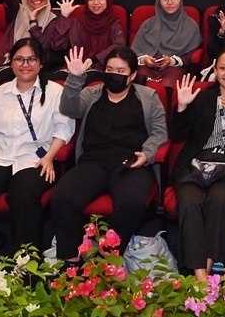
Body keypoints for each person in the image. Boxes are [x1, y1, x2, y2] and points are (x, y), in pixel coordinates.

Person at [0, 39, 74, 254]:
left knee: (23, 196)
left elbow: (64, 129)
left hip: (35, 160)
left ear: (40, 64)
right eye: (19, 59)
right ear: (11, 62)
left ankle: (26, 263)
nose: (25, 64)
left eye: (31, 59)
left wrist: (49, 157)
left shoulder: (56, 92)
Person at [54, 46, 167, 262]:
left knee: (132, 204)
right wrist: (75, 79)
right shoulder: (93, 92)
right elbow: (70, 109)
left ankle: (107, 259)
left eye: (121, 71)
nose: (114, 75)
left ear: (132, 75)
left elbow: (159, 132)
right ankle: (71, 261)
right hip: (92, 162)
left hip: (130, 163)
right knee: (62, 198)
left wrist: (147, 153)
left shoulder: (148, 96)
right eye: (110, 69)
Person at [169, 52, 225, 279]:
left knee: (220, 200)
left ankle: (205, 269)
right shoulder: (201, 96)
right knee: (190, 201)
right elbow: (177, 134)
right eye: (223, 68)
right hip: (195, 166)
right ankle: (203, 278)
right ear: (215, 71)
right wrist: (181, 106)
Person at [131, 0, 202, 87]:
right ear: (158, 0)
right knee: (139, 81)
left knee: (168, 85)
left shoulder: (190, 26)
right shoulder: (148, 25)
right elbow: (133, 54)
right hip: (147, 68)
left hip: (174, 69)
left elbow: (190, 57)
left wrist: (172, 61)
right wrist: (145, 59)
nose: (170, 2)